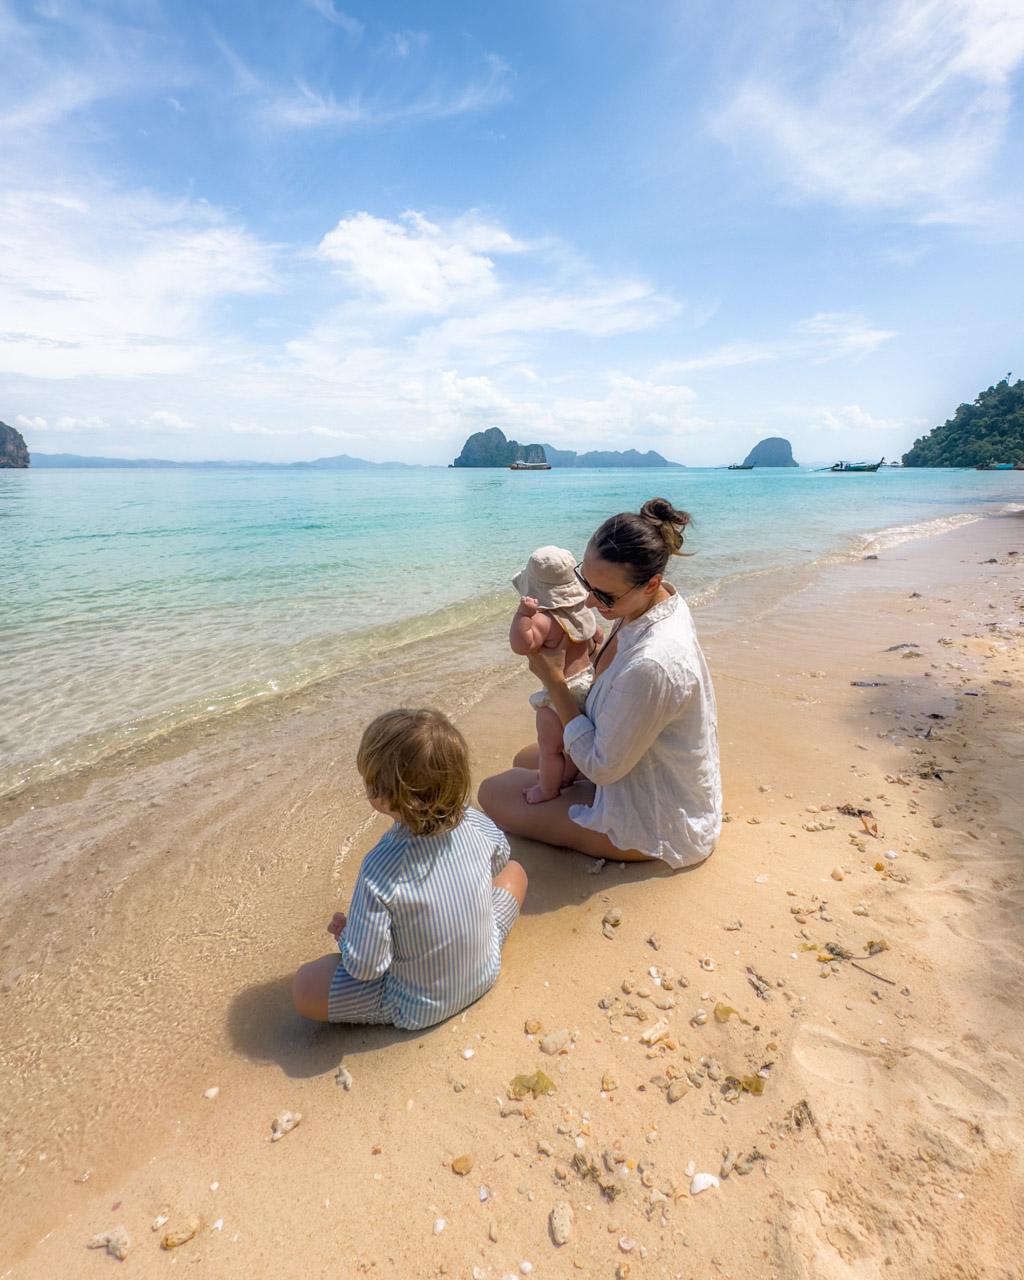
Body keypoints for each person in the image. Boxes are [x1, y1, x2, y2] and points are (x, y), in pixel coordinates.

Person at [479, 498, 721, 868]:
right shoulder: (653, 602)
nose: (589, 603)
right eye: (583, 583)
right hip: (644, 764)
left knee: (492, 792)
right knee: (524, 760)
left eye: (605, 596)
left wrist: (554, 681)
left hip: (658, 817)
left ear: (650, 582)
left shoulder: (654, 661)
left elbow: (602, 768)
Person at [292, 708, 527, 1028]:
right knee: (515, 873)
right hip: (486, 968)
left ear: (380, 795)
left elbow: (367, 967)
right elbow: (501, 857)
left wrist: (346, 935)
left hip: (417, 1004)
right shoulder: (474, 821)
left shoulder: (379, 870)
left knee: (306, 985)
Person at [509, 545, 601, 805]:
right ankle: (567, 779)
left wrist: (522, 616)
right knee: (573, 743)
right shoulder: (582, 611)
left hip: (560, 693)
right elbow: (598, 637)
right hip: (587, 685)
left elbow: (522, 645)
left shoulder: (542, 620)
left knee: (550, 748)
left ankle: (548, 790)